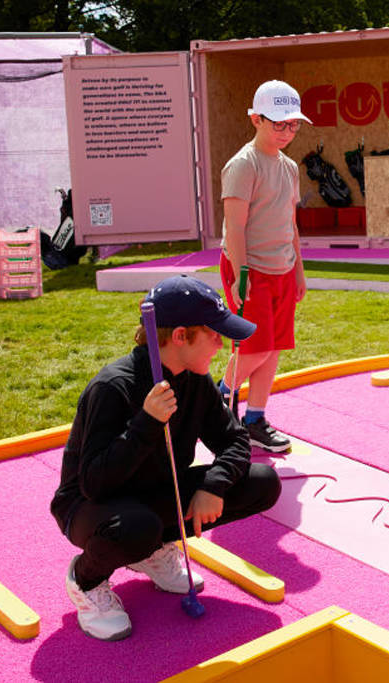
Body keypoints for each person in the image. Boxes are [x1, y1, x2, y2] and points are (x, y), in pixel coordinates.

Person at [51, 274, 282, 641]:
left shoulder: (195, 379)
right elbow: (93, 483)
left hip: (153, 493)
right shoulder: (114, 386)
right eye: (213, 334)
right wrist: (146, 423)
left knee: (261, 483)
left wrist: (213, 485)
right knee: (136, 527)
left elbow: (235, 440)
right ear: (180, 336)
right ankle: (86, 578)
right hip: (90, 506)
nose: (220, 344)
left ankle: (151, 550)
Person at [218, 80, 311, 453]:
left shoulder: (289, 168)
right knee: (254, 348)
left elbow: (290, 223)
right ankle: (217, 400)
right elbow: (235, 226)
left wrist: (299, 271)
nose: (287, 132)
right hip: (249, 269)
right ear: (256, 119)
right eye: (279, 124)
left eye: (294, 125)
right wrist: (241, 275)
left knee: (273, 350)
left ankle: (254, 419)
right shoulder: (243, 165)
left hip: (282, 269)